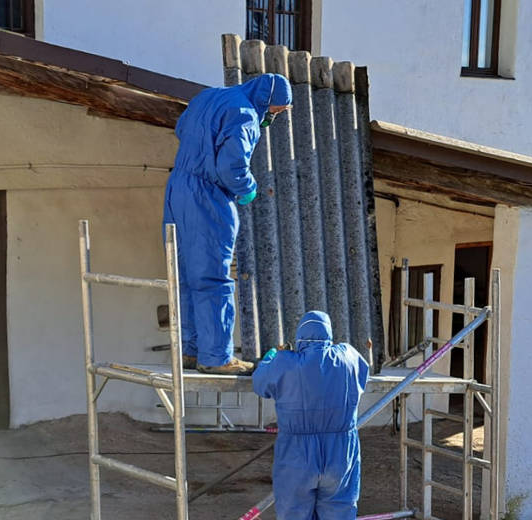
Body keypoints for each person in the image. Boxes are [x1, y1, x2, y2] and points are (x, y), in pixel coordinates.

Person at [163, 73, 292, 375]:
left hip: (177, 188)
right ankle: (217, 356)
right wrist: (247, 188)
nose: (274, 117)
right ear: (269, 101)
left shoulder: (208, 96)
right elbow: (231, 166)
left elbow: (181, 128)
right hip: (207, 195)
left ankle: (189, 350)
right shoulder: (246, 115)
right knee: (213, 276)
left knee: (183, 273)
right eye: (277, 111)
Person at [253, 311, 370, 519]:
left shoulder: (283, 362)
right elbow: (363, 372)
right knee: (340, 510)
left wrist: (270, 356)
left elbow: (260, 383)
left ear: (299, 338)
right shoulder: (348, 356)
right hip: (341, 452)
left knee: (294, 511)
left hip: (296, 454)